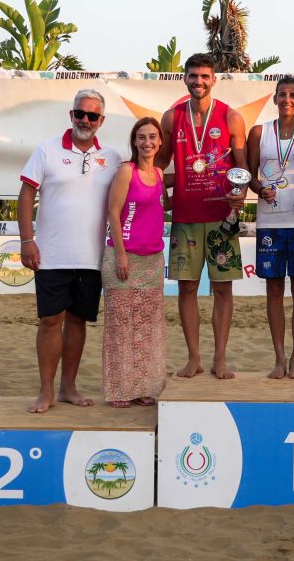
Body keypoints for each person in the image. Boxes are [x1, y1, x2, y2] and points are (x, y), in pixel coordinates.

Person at [18, 89, 121, 414]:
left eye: (92, 116)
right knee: (50, 321)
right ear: (71, 115)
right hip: (51, 254)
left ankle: (68, 387)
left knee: (78, 322)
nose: (85, 120)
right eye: (80, 113)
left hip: (92, 258)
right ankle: (45, 391)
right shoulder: (46, 150)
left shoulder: (113, 157)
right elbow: (24, 195)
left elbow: (140, 191)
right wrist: (26, 240)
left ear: (101, 121)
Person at [156, 53, 247, 379]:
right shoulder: (171, 118)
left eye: (204, 76)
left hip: (221, 216)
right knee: (187, 289)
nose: (199, 81)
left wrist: (240, 194)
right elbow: (159, 162)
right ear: (185, 78)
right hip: (185, 217)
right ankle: (194, 358)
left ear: (214, 79)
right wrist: (159, 194)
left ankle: (219, 358)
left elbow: (242, 166)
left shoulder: (231, 117)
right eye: (193, 76)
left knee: (223, 289)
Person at [246, 76, 294, 379]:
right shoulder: (259, 133)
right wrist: (259, 189)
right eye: (282, 95)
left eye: (293, 95)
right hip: (271, 220)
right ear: (274, 98)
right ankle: (279, 357)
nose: (287, 100)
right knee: (274, 289)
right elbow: (251, 176)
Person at [100, 117, 170, 407]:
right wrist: (121, 254)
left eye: (152, 137)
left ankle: (143, 388)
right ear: (134, 142)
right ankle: (119, 391)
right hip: (123, 258)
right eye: (141, 137)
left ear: (160, 142)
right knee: (120, 326)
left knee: (146, 327)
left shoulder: (160, 174)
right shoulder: (126, 172)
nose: (147, 143)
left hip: (152, 259)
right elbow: (113, 212)